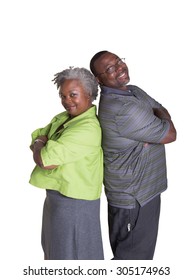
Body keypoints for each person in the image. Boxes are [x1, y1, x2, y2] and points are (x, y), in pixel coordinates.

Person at [89, 51, 177, 260]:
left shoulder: (133, 91)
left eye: (119, 61)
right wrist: (157, 122)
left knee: (140, 259)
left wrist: (157, 122)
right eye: (110, 68)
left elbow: (161, 109)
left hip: (145, 192)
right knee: (132, 262)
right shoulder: (122, 109)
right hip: (133, 198)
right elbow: (171, 134)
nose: (120, 68)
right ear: (98, 79)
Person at [29, 67, 104, 260]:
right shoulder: (65, 118)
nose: (66, 101)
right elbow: (37, 136)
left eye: (73, 95)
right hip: (56, 199)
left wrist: (40, 145)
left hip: (75, 203)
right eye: (63, 96)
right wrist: (40, 143)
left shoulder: (87, 129)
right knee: (54, 254)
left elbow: (45, 160)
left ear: (89, 94)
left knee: (74, 257)